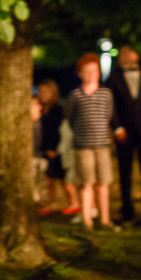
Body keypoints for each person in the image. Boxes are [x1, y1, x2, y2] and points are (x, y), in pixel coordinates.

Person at [106, 47, 141, 226]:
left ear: (136, 56)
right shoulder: (113, 79)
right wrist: (117, 128)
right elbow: (111, 105)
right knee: (125, 173)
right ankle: (127, 212)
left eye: (129, 55)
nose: (126, 58)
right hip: (124, 132)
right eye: (122, 56)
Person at [64, 53, 119, 232]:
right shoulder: (76, 95)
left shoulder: (106, 94)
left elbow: (108, 115)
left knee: (103, 183)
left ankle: (105, 220)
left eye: (94, 71)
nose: (91, 74)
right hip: (82, 146)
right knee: (85, 183)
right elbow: (70, 118)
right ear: (80, 73)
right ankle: (86, 220)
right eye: (87, 71)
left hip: (102, 145)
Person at [36, 79, 80, 216]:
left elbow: (59, 131)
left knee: (64, 179)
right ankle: (51, 202)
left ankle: (74, 203)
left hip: (56, 150)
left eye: (45, 91)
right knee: (49, 180)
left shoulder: (57, 110)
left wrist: (54, 148)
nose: (42, 94)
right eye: (40, 92)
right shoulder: (42, 109)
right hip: (46, 150)